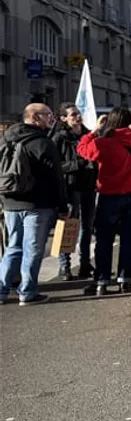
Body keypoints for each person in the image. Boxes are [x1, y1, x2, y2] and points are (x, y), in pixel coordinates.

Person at [78, 107, 131, 296]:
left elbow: (82, 149)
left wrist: (94, 131)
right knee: (129, 238)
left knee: (104, 240)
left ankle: (102, 281)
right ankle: (125, 279)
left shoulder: (104, 141)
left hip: (109, 195)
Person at [1, 104, 67, 305]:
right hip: (38, 203)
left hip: (10, 201)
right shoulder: (42, 143)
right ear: (35, 117)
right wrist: (62, 206)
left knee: (13, 247)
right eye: (48, 115)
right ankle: (27, 292)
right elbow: (56, 177)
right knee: (33, 248)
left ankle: (2, 289)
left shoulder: (5, 138)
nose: (51, 118)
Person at [50, 103, 97, 281]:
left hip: (89, 187)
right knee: (67, 227)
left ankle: (85, 263)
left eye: (78, 114)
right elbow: (55, 167)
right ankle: (65, 266)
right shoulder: (60, 138)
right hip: (71, 188)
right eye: (73, 115)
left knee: (87, 228)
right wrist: (79, 163)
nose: (78, 117)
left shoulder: (88, 134)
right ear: (63, 119)